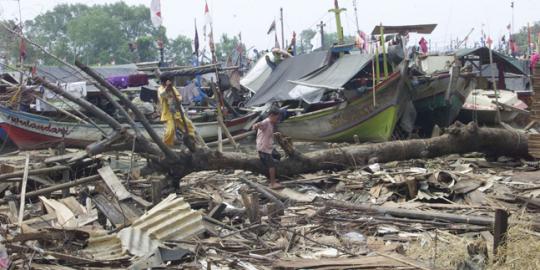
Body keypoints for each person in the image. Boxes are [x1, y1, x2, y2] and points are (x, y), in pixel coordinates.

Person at [158, 74, 196, 146]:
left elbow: (179, 97)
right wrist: (167, 88)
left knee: (189, 125)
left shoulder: (173, 88)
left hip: (177, 113)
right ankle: (167, 146)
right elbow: (163, 95)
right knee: (170, 131)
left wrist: (177, 99)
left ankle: (192, 140)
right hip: (168, 114)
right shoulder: (160, 89)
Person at [252, 109, 282, 189]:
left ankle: (273, 177)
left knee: (278, 156)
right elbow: (258, 125)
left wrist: (275, 134)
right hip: (263, 148)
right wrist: (256, 126)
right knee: (271, 165)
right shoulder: (266, 122)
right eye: (276, 118)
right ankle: (272, 183)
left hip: (269, 146)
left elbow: (268, 132)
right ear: (271, 115)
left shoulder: (271, 123)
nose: (277, 120)